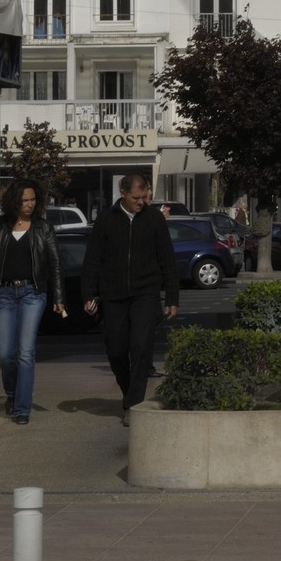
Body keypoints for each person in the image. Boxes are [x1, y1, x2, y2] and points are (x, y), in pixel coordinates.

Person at [81, 172, 179, 426]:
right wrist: (89, 294)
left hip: (145, 293)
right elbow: (92, 260)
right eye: (136, 197)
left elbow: (167, 259)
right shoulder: (105, 220)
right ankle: (129, 393)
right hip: (113, 295)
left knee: (141, 347)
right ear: (122, 194)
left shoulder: (155, 219)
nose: (141, 201)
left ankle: (134, 404)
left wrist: (172, 297)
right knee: (116, 349)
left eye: (144, 196)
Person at [0, 179, 65, 426]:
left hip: (32, 293)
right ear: (14, 201)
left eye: (32, 200)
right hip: (5, 294)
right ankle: (11, 393)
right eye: (24, 200)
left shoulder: (43, 228)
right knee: (5, 353)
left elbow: (55, 264)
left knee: (26, 352)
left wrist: (59, 297)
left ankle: (21, 408)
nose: (29, 205)